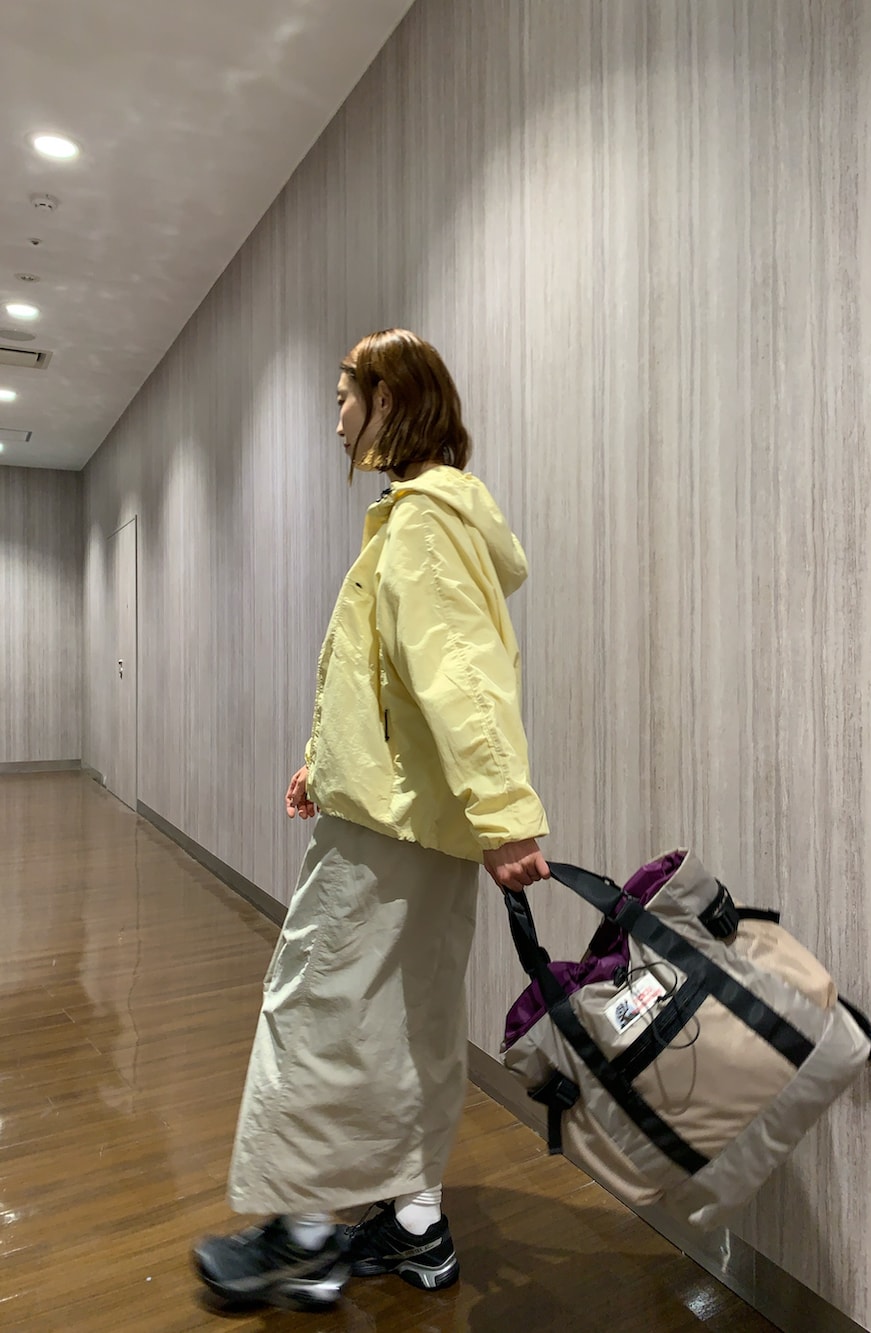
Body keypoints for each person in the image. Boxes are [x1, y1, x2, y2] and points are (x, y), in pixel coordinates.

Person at [193, 329, 550, 1313]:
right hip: (417, 823)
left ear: (388, 399)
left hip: (389, 834)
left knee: (321, 1012)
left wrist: (507, 813)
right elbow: (395, 681)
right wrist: (328, 761)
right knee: (409, 1022)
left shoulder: (423, 522)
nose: (337, 418)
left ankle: (305, 1239)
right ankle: (417, 1225)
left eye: (344, 398)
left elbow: (460, 676)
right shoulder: (426, 519)